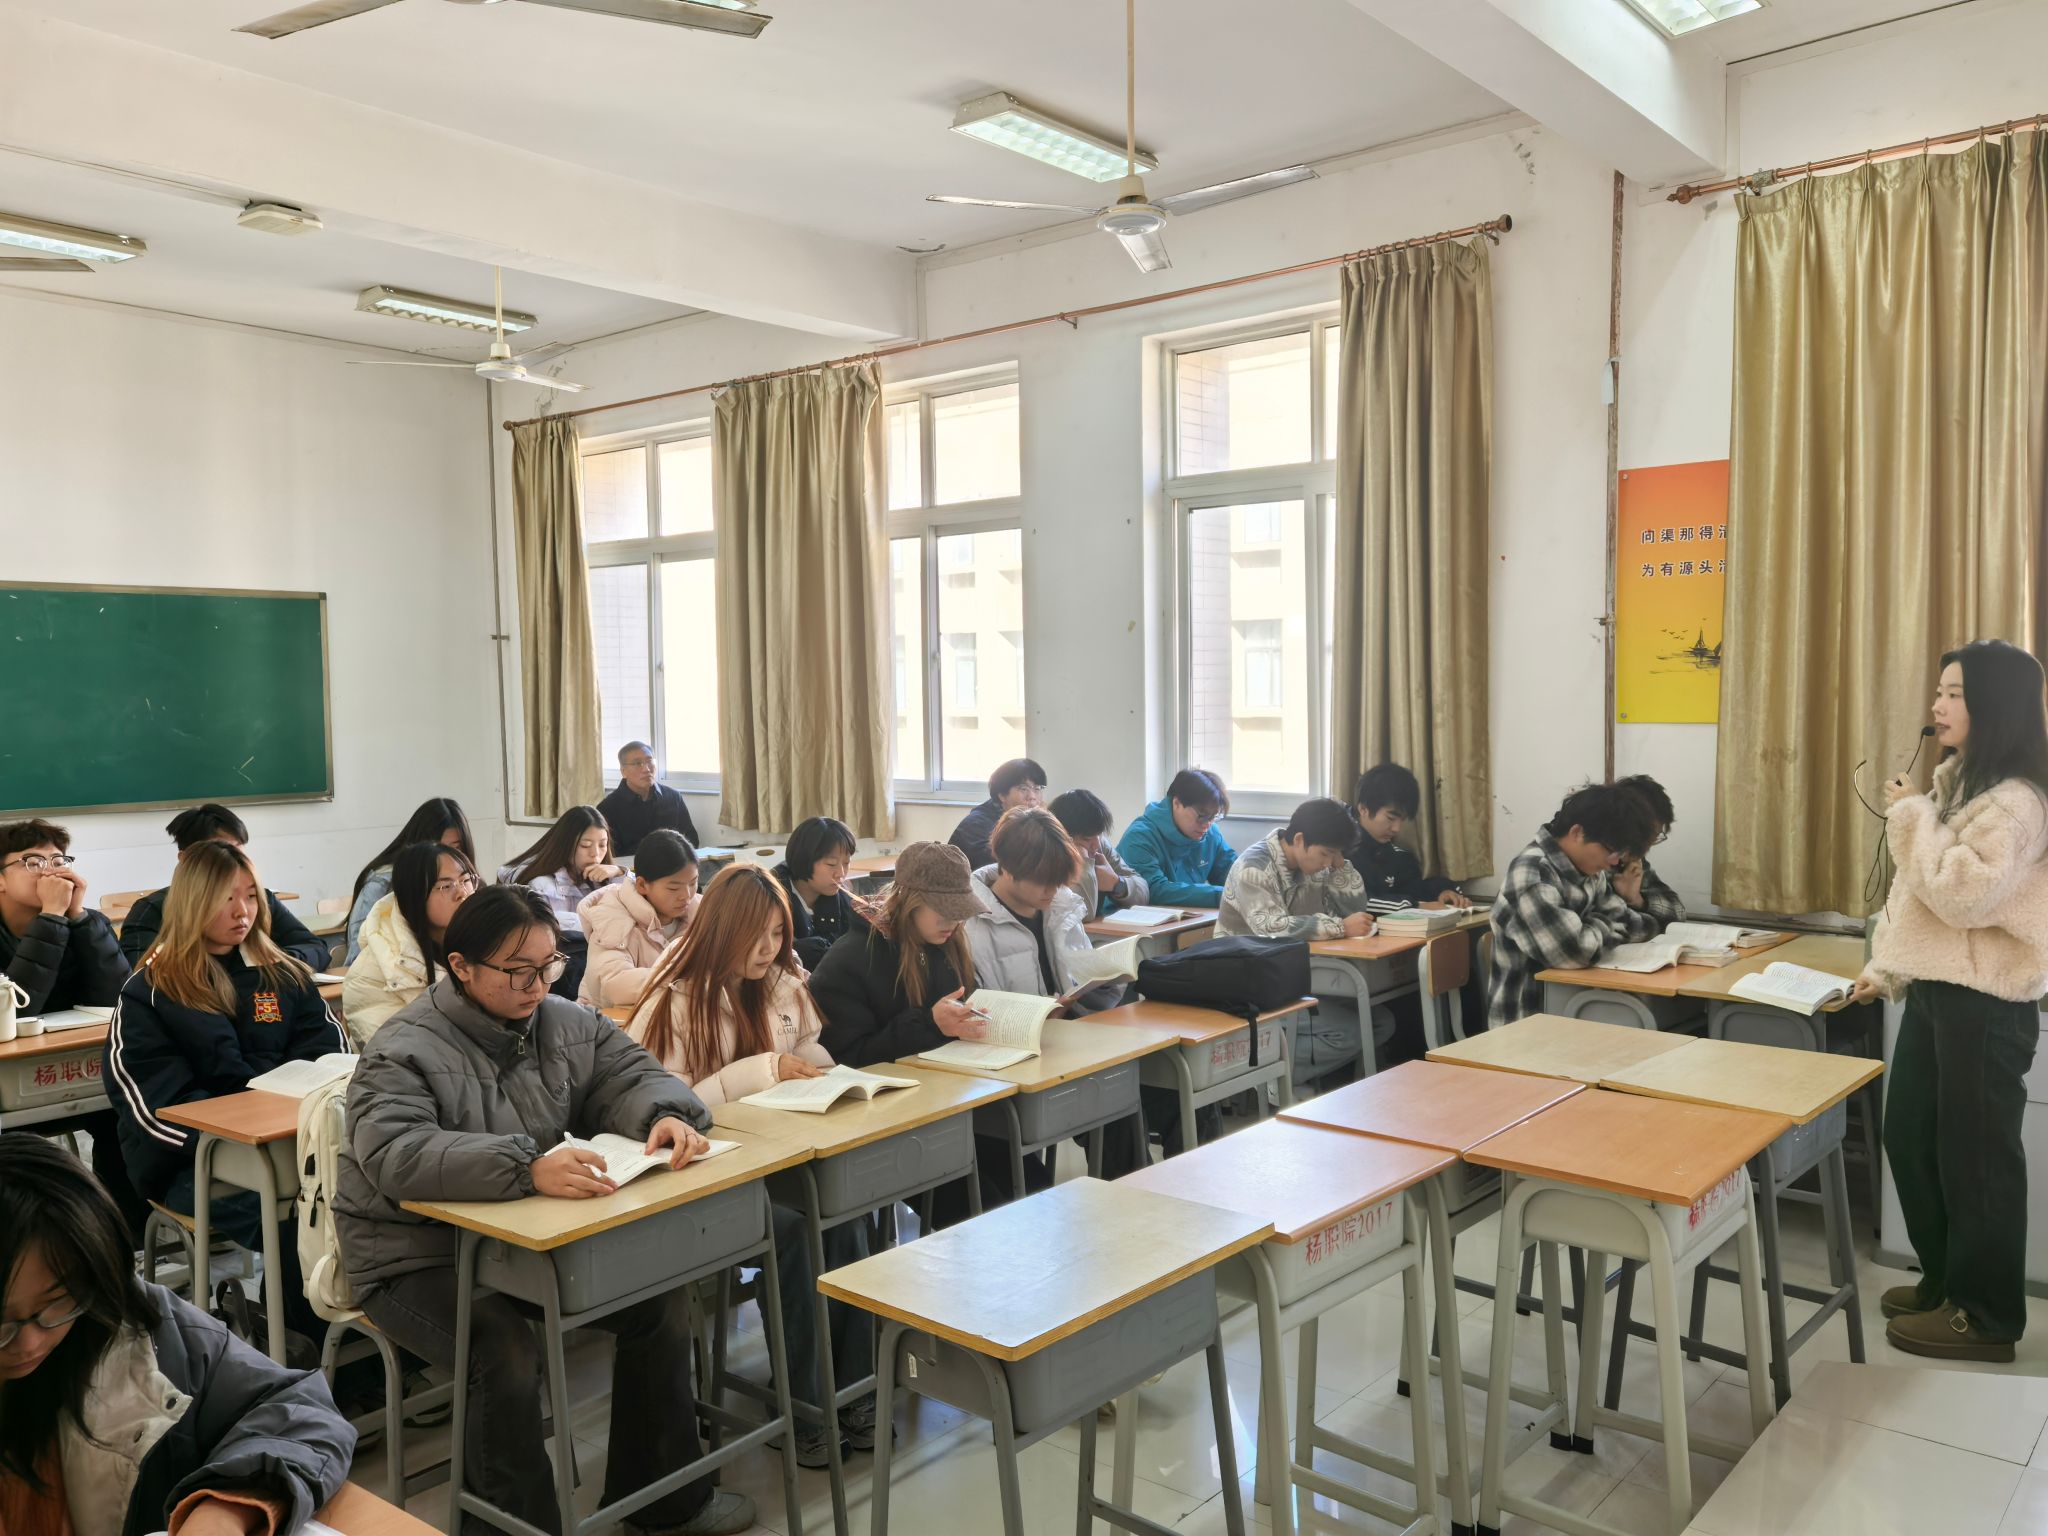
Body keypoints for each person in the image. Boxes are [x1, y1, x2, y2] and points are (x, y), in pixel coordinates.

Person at [334, 886, 754, 1536]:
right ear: (460, 966)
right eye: (517, 971)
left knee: (660, 1302)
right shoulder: (403, 1047)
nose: (537, 985)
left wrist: (665, 1116)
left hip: (525, 1241)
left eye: (549, 965)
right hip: (415, 1256)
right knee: (502, 1350)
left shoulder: (563, 1020)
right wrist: (525, 1168)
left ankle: (662, 1503)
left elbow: (631, 1075)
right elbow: (395, 1153)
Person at [626, 866, 873, 1467]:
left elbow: (804, 1048)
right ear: (721, 931)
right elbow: (666, 1107)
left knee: (846, 1213)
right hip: (703, 1175)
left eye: (777, 934)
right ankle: (806, 1405)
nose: (768, 949)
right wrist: (759, 1071)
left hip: (777, 1154)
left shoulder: (783, 980)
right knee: (794, 1231)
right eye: (755, 936)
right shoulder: (674, 998)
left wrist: (828, 1074)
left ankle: (855, 1391)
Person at [1851, 639, 2048, 1363]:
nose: (1937, 706)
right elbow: (1918, 898)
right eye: (1940, 692)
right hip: (1937, 992)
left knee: (1977, 1160)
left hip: (1986, 1006)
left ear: (1996, 705)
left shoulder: (2017, 801)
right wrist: (1886, 968)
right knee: (1911, 1138)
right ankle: (1944, 1284)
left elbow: (1962, 895)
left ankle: (1985, 1316)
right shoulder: (1961, 783)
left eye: (1955, 694)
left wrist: (1910, 817)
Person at [0, 1133, 353, 1536]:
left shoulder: (139, 1330)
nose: (30, 1342)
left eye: (57, 1302)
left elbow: (299, 1411)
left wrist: (224, 1507)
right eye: (3, 1323)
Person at [104, 841, 348, 1349]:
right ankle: (304, 1357)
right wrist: (233, 1144)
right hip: (193, 1166)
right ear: (193, 902)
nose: (243, 912)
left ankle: (361, 1350)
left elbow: (331, 1059)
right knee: (303, 1226)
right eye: (226, 898)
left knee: (358, 1209)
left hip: (296, 1150)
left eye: (251, 897)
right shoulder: (152, 989)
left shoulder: (282, 973)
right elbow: (151, 1107)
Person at [1218, 797, 1376, 1086]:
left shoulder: (1318, 865)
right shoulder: (1254, 868)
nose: (1327, 863)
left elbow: (1356, 909)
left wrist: (1340, 865)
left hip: (1296, 976)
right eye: (1325, 854)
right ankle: (1274, 1085)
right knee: (1355, 1030)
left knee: (1379, 1023)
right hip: (1252, 984)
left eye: (1334, 855)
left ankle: (1283, 1080)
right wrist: (1340, 927)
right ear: (1300, 839)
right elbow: (1271, 928)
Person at [1486, 783, 1660, 1028]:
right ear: (1577, 832)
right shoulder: (1532, 875)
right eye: (1611, 851)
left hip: (1577, 1012)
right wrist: (1603, 924)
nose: (1614, 862)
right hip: (1528, 1025)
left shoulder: (1589, 870)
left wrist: (1594, 927)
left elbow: (1626, 921)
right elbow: (1573, 952)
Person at [807, 843, 989, 1069]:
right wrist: (930, 1025)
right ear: (909, 901)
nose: (953, 922)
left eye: (961, 912)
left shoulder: (948, 945)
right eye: (944, 911)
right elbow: (848, 1059)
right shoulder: (849, 961)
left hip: (951, 1077)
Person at [118, 805, 331, 972]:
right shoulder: (152, 910)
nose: (242, 910)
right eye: (219, 853)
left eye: (237, 851)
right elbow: (144, 973)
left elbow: (315, 948)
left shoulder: (259, 899)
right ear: (185, 860)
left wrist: (273, 965)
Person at [341, 841, 479, 1045]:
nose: (462, 893)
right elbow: (396, 1052)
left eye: (466, 880)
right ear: (415, 895)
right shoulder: (368, 976)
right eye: (446, 886)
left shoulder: (489, 944)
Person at [0, 818, 128, 1018]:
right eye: (33, 863)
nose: (50, 872)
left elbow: (121, 1001)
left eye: (58, 862)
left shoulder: (88, 922)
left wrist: (79, 917)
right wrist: (51, 915)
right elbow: (12, 1012)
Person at [344, 798, 476, 963]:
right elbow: (357, 959)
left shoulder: (468, 883)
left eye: (456, 849)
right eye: (439, 848)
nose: (449, 858)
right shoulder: (381, 885)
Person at [578, 829, 699, 1009]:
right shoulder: (613, 918)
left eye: (693, 883)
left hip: (665, 1014)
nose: (686, 895)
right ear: (642, 885)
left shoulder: (701, 913)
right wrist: (685, 980)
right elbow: (615, 985)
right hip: (604, 1020)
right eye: (674, 888)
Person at [1349, 764, 1471, 910]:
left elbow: (1414, 888)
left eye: (1402, 820)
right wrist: (1416, 905)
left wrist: (1442, 892)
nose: (1397, 829)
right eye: (1390, 818)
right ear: (1363, 809)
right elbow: (1356, 902)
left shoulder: (1398, 856)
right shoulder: (1338, 853)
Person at [1116, 768, 1237, 909]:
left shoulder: (1211, 834)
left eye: (1213, 817)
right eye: (1202, 816)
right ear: (1177, 803)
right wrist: (1223, 895)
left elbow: (1234, 874)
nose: (1207, 824)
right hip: (1127, 919)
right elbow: (1154, 891)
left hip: (1186, 917)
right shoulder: (1139, 837)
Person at [498, 806, 625, 934]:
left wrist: (619, 873)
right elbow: (549, 930)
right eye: (585, 845)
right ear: (565, 844)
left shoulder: (608, 878)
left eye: (602, 845)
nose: (595, 853)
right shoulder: (541, 887)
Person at [773, 817, 869, 971]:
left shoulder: (843, 899)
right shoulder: (769, 896)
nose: (841, 874)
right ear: (805, 859)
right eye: (831, 864)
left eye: (846, 863)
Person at [1048, 789, 1150, 919]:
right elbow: (1083, 915)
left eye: (1099, 835)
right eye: (1086, 839)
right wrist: (1085, 866)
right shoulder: (1047, 853)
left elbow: (1143, 891)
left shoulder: (1100, 846)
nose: (1096, 845)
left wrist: (1117, 883)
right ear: (1063, 838)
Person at [597, 740, 701, 856]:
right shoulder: (607, 808)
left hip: (674, 863)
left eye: (649, 761)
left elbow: (691, 840)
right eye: (637, 763)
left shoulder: (673, 797)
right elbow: (610, 853)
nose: (646, 769)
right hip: (631, 866)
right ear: (623, 771)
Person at [947, 758, 1047, 871]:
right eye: (1023, 789)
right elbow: (1002, 869)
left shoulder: (1027, 820)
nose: (1032, 796)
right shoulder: (977, 825)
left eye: (1037, 788)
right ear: (1002, 795)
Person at [1614, 774, 1686, 929]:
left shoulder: (1635, 860)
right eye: (1648, 835)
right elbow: (1611, 929)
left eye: (1656, 835)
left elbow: (1678, 912)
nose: (1649, 845)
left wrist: (1638, 900)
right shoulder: (1597, 860)